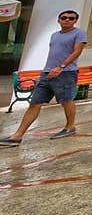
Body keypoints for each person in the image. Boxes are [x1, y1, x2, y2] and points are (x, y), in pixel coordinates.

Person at [1, 10, 87, 147]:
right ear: (58, 20)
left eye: (71, 18)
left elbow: (77, 51)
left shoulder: (79, 33)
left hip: (66, 73)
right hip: (47, 73)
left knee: (66, 100)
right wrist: (49, 69)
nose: (67, 20)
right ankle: (18, 135)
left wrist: (61, 67)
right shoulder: (54, 35)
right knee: (35, 103)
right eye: (64, 18)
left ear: (75, 21)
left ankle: (70, 126)